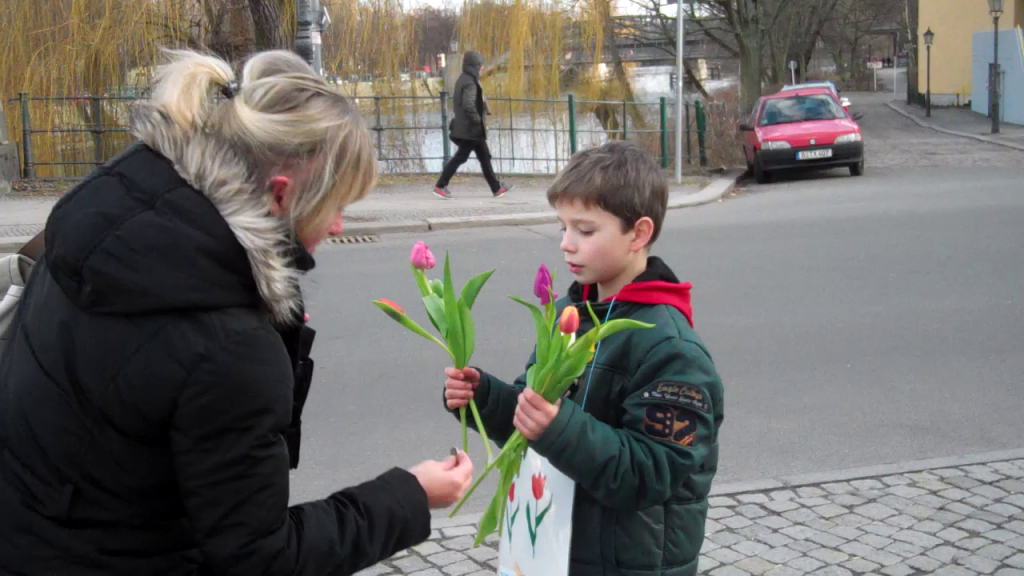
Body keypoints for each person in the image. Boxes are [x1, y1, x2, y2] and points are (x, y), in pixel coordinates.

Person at [0, 48, 473, 575]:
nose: (339, 225)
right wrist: (411, 495)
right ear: (281, 196)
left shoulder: (105, 228)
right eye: (336, 205)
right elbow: (262, 557)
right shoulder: (229, 345)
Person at [443, 141, 724, 576]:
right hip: (563, 553)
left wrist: (556, 427)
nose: (566, 244)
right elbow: (535, 410)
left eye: (585, 231)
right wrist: (485, 398)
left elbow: (650, 474)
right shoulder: (571, 314)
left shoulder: (672, 351)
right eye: (563, 227)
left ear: (639, 234)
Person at [433, 51, 512, 200]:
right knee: (462, 157)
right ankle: (440, 186)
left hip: (469, 129)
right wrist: (477, 121)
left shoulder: (464, 79)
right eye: (480, 65)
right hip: (471, 130)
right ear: (474, 66)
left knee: (484, 156)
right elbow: (468, 105)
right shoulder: (470, 82)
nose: (482, 68)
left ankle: (496, 188)